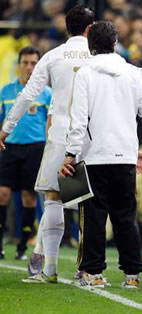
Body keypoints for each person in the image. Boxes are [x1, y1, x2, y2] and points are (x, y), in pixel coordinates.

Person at [0, 5, 142, 284]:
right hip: (101, 143)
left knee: (56, 200)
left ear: (67, 26)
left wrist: (5, 129)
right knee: (96, 210)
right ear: (91, 28)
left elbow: (27, 96)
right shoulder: (114, 60)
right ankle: (92, 269)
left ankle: (48, 269)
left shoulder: (52, 56)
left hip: (66, 138)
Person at [59, 21, 142, 289]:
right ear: (115, 43)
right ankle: (132, 276)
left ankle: (94, 274)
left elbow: (79, 120)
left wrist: (70, 154)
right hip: (126, 155)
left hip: (94, 156)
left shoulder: (85, 73)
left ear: (91, 44)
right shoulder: (130, 72)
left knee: (94, 216)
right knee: (125, 216)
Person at [0, 47, 51, 260]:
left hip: (35, 148)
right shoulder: (6, 91)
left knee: (29, 197)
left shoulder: (47, 93)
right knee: (2, 194)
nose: (29, 67)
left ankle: (23, 246)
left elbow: (50, 124)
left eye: (33, 63)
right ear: (19, 64)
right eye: (26, 63)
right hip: (10, 147)